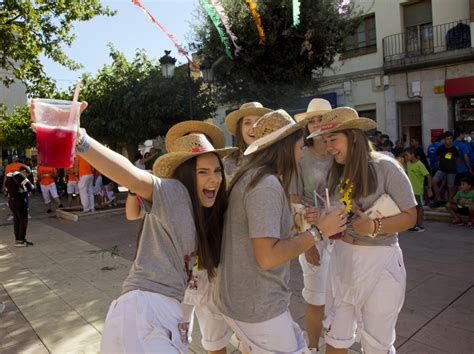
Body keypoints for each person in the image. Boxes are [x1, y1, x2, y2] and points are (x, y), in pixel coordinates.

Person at [31, 99, 237, 353]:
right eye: (203, 172)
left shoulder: (201, 212)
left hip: (149, 313)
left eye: (217, 170)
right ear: (185, 173)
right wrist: (80, 139)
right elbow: (131, 175)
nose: (214, 178)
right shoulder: (174, 191)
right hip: (146, 310)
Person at [214, 110, 347, 353]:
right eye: (299, 147)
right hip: (257, 305)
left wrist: (295, 218)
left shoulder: (254, 176)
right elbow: (268, 256)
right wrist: (318, 232)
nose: (301, 154)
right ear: (284, 148)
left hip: (248, 301)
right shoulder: (265, 184)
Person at [307, 107, 417, 354]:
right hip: (342, 259)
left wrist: (374, 226)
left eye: (333, 139)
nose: (329, 147)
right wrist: (321, 218)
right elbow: (336, 217)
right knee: (336, 335)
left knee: (377, 342)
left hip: (381, 262)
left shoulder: (386, 167)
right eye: (325, 141)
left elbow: (412, 216)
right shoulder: (333, 173)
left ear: (354, 137)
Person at [292, 98, 333, 353]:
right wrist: (306, 243)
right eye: (311, 120)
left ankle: (336, 343)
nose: (316, 124)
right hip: (312, 233)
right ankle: (313, 348)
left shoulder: (340, 150)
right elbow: (294, 200)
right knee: (316, 296)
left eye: (321, 119)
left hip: (342, 231)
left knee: (339, 296)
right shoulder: (300, 155)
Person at [223, 102, 272, 178]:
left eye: (259, 122)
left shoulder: (277, 157)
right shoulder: (228, 164)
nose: (253, 127)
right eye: (247, 123)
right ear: (240, 129)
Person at [5, 165, 35, 247]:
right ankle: (21, 240)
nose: (27, 176)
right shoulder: (20, 176)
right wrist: (30, 188)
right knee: (23, 220)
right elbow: (31, 188)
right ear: (24, 171)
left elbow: (6, 189)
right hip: (20, 201)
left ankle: (18, 239)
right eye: (27, 174)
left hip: (11, 201)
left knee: (16, 221)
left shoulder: (9, 177)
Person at [404, 147, 433, 232]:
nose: (405, 157)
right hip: (410, 190)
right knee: (413, 208)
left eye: (407, 155)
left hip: (418, 191)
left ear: (412, 155)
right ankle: (413, 224)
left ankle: (420, 225)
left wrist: (429, 188)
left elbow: (428, 175)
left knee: (419, 207)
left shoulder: (420, 164)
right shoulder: (408, 164)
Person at [431, 132, 459, 207]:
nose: (449, 141)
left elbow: (457, 160)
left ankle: (449, 202)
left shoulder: (454, 149)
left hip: (451, 171)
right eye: (447, 139)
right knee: (433, 181)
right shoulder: (440, 148)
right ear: (444, 140)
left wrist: (451, 165)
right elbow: (438, 158)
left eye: (451, 139)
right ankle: (439, 199)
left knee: (450, 187)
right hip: (442, 169)